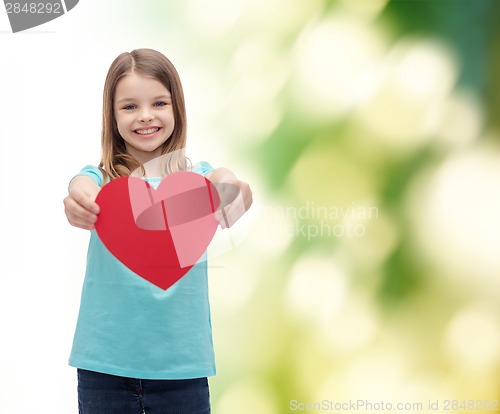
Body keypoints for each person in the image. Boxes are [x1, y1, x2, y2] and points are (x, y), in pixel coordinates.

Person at [63, 48, 252, 414]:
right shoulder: (100, 180)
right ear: (112, 115)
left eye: (159, 103)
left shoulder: (198, 181)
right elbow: (79, 190)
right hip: (104, 367)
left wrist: (233, 189)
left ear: (176, 108)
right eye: (130, 106)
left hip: (182, 369)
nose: (145, 116)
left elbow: (229, 183)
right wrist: (80, 202)